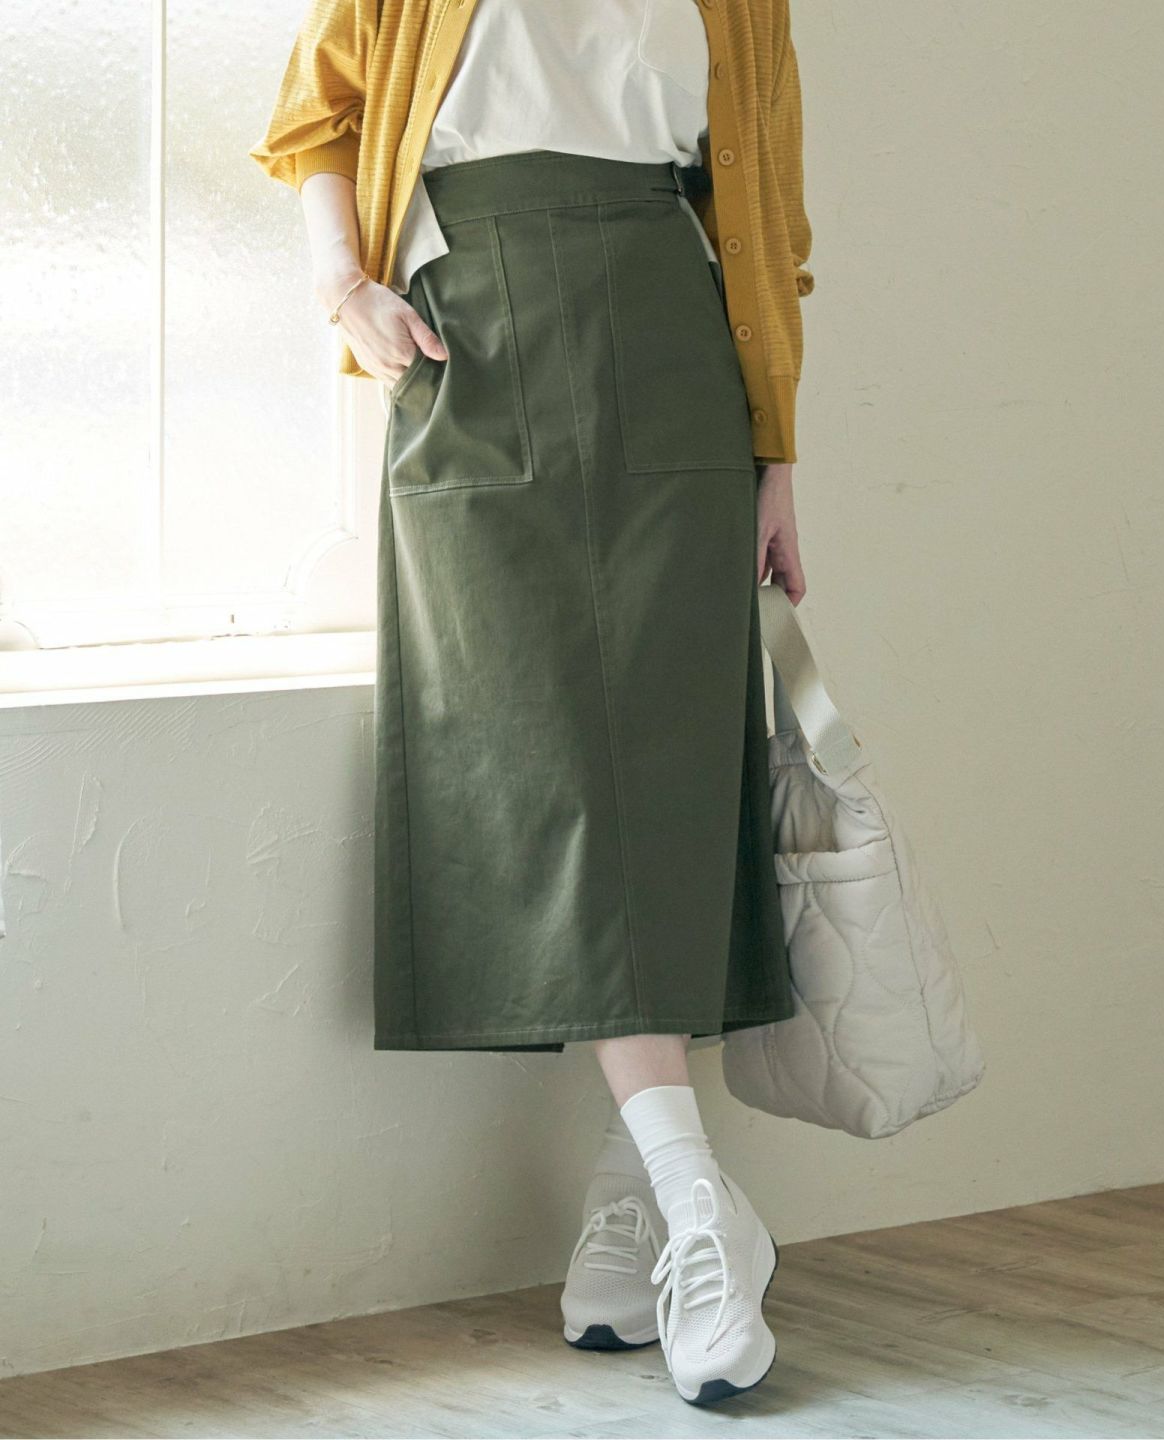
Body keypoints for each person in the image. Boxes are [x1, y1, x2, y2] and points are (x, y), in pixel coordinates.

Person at [250, 0, 814, 1407]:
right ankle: (700, 1204)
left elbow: (764, 208)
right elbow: (317, 114)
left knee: (668, 775)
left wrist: (779, 455)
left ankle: (637, 1204)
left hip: (674, 345)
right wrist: (342, 286)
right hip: (475, 346)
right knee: (548, 769)